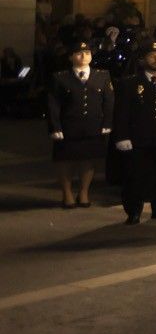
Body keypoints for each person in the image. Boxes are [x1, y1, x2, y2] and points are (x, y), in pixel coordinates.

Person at [113, 40, 156, 224]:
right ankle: (133, 210)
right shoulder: (129, 83)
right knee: (135, 177)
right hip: (138, 139)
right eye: (151, 56)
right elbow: (121, 113)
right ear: (143, 59)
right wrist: (122, 136)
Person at [47, 40, 112, 208]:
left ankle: (84, 192)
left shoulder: (102, 75)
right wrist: (55, 127)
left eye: (88, 53)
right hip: (68, 125)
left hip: (93, 125)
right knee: (65, 160)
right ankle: (67, 193)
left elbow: (109, 101)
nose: (84, 56)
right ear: (71, 57)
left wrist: (107, 123)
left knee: (89, 160)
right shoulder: (61, 77)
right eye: (79, 53)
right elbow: (53, 104)